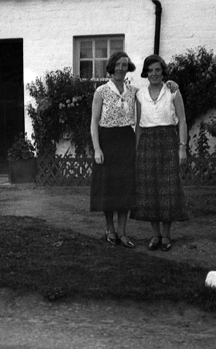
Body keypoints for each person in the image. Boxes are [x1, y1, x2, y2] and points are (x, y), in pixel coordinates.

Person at [131, 54, 190, 252]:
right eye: (150, 70)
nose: (154, 73)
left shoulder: (173, 91)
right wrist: (137, 150)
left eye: (158, 70)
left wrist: (182, 147)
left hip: (168, 141)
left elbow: (182, 120)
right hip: (147, 143)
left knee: (168, 188)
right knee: (150, 189)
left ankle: (166, 235)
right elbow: (139, 125)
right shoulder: (140, 95)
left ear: (163, 71)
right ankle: (155, 235)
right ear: (146, 73)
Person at [90, 51, 138, 248]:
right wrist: (97, 149)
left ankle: (123, 232)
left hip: (126, 140)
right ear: (111, 66)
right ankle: (109, 230)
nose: (121, 68)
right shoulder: (100, 91)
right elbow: (93, 121)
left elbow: (158, 89)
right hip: (107, 140)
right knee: (108, 188)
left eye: (125, 65)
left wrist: (171, 84)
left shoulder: (134, 91)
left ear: (128, 68)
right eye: (118, 64)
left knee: (125, 188)